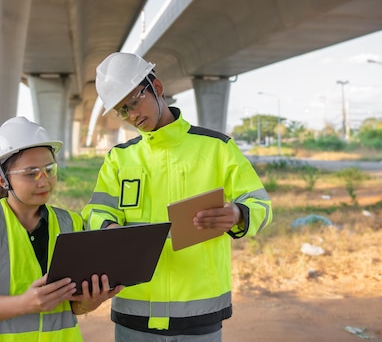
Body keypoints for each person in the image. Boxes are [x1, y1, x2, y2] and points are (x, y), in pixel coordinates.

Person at [82, 52, 273, 341]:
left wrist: (238, 214)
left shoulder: (217, 148)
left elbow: (261, 205)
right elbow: (95, 211)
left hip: (199, 311)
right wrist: (109, 229)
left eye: (133, 103)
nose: (132, 116)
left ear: (156, 88)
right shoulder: (119, 159)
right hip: (135, 312)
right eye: (122, 111)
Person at [0, 116, 122, 341]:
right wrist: (24, 303)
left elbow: (72, 306)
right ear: (2, 179)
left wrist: (89, 302)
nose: (43, 181)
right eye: (31, 173)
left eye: (49, 169)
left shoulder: (71, 224)